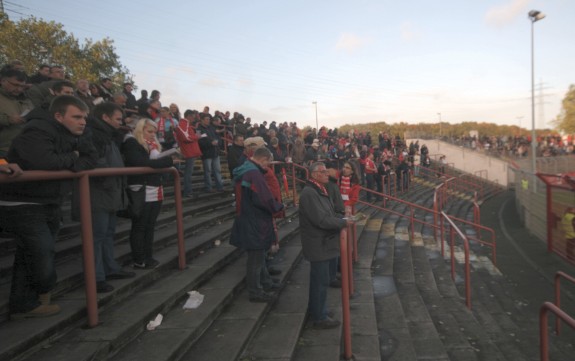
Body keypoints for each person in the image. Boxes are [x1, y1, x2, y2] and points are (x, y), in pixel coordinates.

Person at [0, 95, 97, 319]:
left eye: (84, 117)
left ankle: (24, 303)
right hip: (22, 202)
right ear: (58, 116)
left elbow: (91, 157)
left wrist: (68, 159)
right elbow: (44, 162)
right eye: (77, 117)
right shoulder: (37, 130)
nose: (83, 122)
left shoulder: (78, 133)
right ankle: (40, 292)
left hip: (48, 201)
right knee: (41, 254)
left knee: (30, 254)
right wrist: (73, 157)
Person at [88, 103, 136, 292]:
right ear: (105, 118)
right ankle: (97, 276)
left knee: (107, 233)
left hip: (111, 191)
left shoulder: (108, 136)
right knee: (97, 236)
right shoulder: (93, 135)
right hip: (99, 192)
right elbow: (94, 163)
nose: (120, 123)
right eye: (117, 119)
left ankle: (110, 268)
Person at [229, 147, 284, 303]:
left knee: (258, 256)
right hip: (254, 220)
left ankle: (265, 282)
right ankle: (256, 291)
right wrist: (278, 207)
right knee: (256, 258)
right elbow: (263, 198)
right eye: (267, 163)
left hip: (248, 217)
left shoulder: (247, 169)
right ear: (263, 159)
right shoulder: (254, 173)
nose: (267, 167)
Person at [299, 162, 347, 329]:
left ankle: (319, 310)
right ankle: (319, 316)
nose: (328, 174)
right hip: (318, 243)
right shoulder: (310, 193)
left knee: (321, 280)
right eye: (324, 172)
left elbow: (328, 213)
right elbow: (321, 219)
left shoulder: (318, 190)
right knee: (320, 281)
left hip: (322, 242)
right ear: (314, 175)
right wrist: (343, 223)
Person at [122, 118, 174, 269]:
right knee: (140, 225)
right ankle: (139, 259)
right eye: (149, 131)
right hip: (141, 189)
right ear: (140, 130)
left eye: (154, 132)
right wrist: (167, 161)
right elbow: (141, 162)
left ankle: (148, 256)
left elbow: (151, 163)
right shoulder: (131, 143)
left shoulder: (152, 145)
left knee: (150, 225)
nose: (152, 135)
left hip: (154, 188)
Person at [0, 69, 33, 158]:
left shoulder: (26, 99)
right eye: (15, 85)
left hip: (26, 149)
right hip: (4, 150)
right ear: (3, 81)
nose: (19, 89)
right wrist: (7, 119)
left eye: (22, 86)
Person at [175, 109, 202, 198]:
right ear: (189, 116)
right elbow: (185, 137)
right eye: (193, 117)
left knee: (188, 172)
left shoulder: (186, 124)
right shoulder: (183, 124)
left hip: (190, 151)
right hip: (189, 151)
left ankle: (188, 191)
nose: (194, 119)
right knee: (188, 173)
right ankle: (188, 191)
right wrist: (196, 137)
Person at [197, 112, 224, 192]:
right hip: (206, 153)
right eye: (206, 119)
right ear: (201, 120)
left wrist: (218, 142)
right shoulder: (199, 130)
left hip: (215, 152)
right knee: (207, 171)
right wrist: (210, 143)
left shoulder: (212, 128)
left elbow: (218, 137)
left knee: (217, 170)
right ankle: (208, 188)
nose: (208, 121)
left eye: (209, 119)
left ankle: (220, 187)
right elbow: (199, 142)